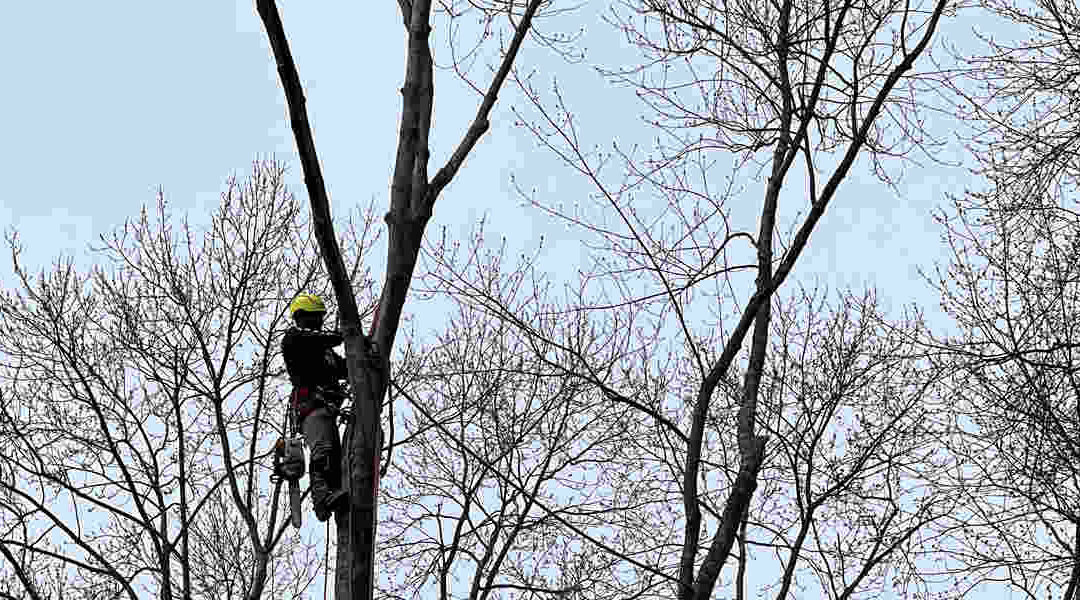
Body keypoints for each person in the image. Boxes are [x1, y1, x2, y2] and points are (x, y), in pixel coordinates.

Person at [281, 293, 349, 522]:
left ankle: (336, 494)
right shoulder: (295, 339)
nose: (319, 322)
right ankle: (322, 499)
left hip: (328, 409)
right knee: (323, 451)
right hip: (311, 407)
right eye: (315, 318)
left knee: (337, 459)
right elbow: (322, 337)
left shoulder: (326, 352)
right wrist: (344, 335)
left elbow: (348, 368)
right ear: (302, 317)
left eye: (320, 318)